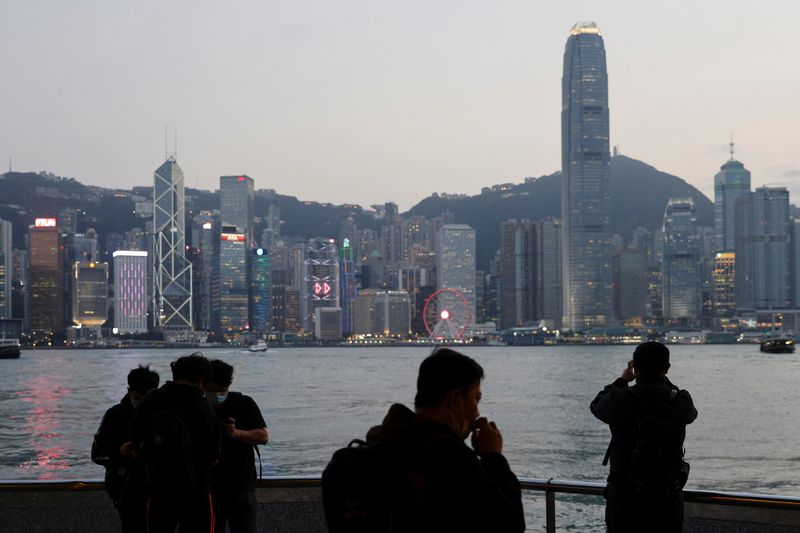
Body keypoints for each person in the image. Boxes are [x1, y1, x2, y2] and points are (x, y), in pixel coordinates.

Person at [341, 347, 525, 533]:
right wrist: (493, 457)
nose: (477, 412)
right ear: (454, 400)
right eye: (476, 399)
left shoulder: (382, 444)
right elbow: (510, 523)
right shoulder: (450, 456)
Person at [590, 341, 698, 533]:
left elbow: (596, 406)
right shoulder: (679, 399)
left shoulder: (619, 398)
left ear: (635, 368)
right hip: (667, 493)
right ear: (667, 368)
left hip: (624, 495)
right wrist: (664, 380)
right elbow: (691, 415)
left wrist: (622, 380)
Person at [128, 353, 221, 533]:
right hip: (197, 490)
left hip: (158, 489)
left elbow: (136, 446)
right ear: (202, 380)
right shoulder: (205, 408)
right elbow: (213, 457)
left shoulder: (150, 401)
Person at [92, 364, 160, 533]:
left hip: (156, 489)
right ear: (129, 391)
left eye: (145, 398)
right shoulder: (116, 415)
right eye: (138, 397)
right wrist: (120, 452)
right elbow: (97, 453)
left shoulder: (163, 415)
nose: (141, 403)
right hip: (125, 488)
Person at [205, 359, 269, 533]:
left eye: (222, 391)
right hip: (209, 487)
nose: (217, 394)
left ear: (229, 386)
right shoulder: (199, 407)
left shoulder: (243, 403)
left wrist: (235, 433)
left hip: (241, 484)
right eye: (212, 391)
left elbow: (263, 436)